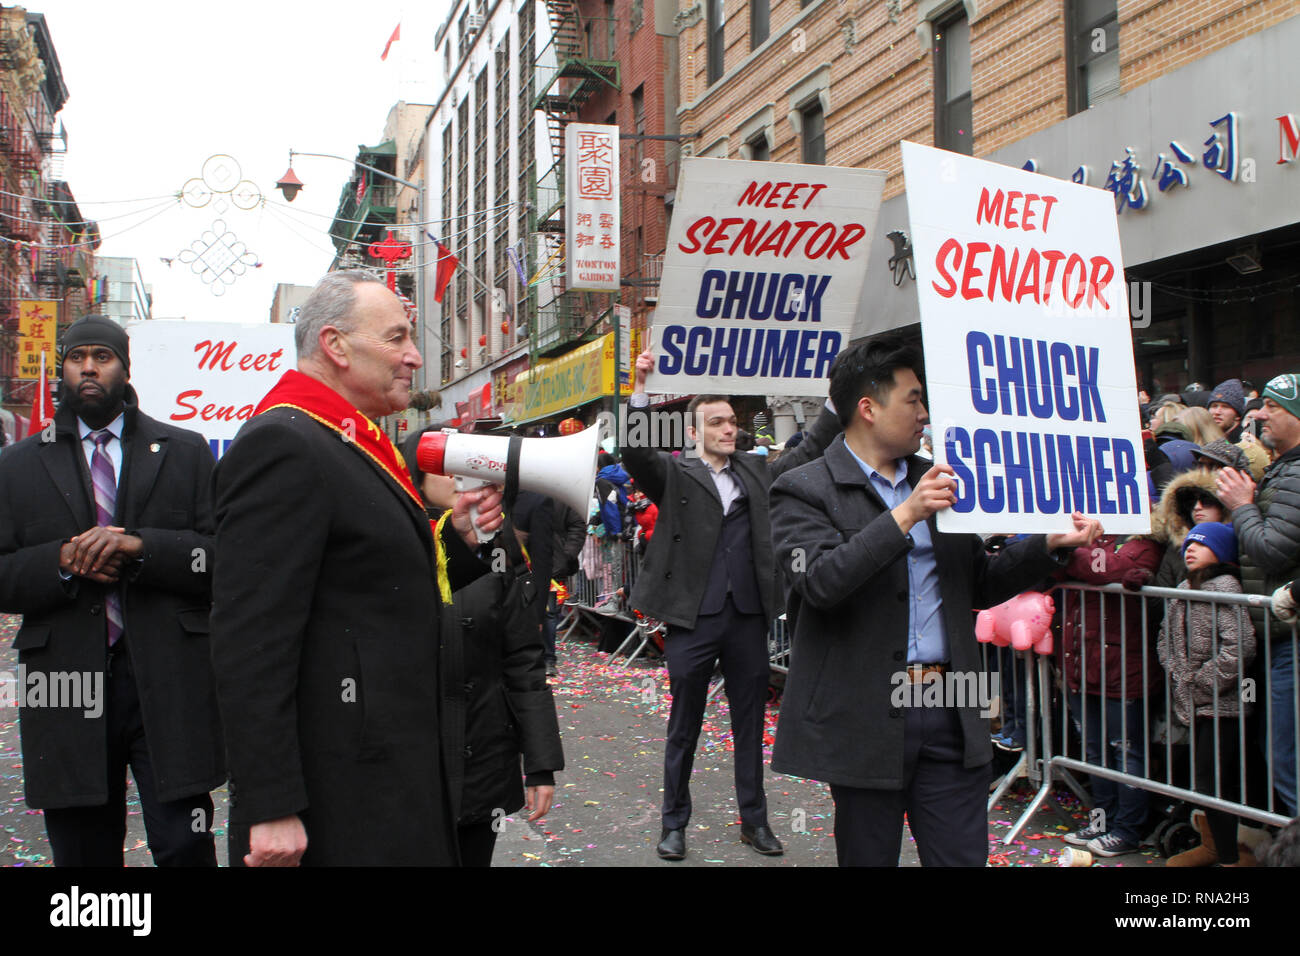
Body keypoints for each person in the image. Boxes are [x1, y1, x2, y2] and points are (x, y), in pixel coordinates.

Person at [768, 336, 1099, 866]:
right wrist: (904, 517)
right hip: (865, 713)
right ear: (868, 408)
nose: (924, 414)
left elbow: (982, 583)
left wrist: (1048, 545)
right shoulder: (803, 486)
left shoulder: (938, 479)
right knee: (870, 854)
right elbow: (821, 582)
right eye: (913, 400)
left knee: (960, 856)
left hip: (948, 701)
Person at [210, 271, 504, 866]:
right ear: (335, 345)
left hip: (384, 771)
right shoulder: (287, 443)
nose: (414, 356)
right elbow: (251, 638)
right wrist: (271, 804)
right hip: (341, 792)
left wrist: (463, 540)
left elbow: (373, 580)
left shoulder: (345, 441)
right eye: (396, 338)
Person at [0, 315, 224, 866]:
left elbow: (222, 558)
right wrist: (61, 561)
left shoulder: (186, 450)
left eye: (102, 357)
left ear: (125, 367)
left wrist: (141, 550)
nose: (89, 369)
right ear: (63, 369)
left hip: (167, 676)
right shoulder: (17, 465)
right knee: (81, 850)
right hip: (63, 680)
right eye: (78, 358)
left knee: (183, 843)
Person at [623, 348, 841, 861]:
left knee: (748, 726)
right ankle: (673, 825)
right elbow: (635, 454)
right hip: (692, 619)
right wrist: (639, 388)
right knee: (685, 726)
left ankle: (754, 823)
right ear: (695, 432)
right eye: (716, 422)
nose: (728, 428)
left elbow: (808, 448)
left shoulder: (758, 470)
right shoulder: (676, 474)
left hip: (747, 616)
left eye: (730, 420)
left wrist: (835, 397)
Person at [400, 436, 564, 867]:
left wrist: (541, 764)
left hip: (483, 758)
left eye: (462, 465)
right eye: (442, 466)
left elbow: (523, 659)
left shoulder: (496, 540)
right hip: (409, 769)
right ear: (415, 477)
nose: (457, 478)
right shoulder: (394, 543)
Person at [1217, 373, 1300, 818]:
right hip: (1275, 637)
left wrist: (1242, 506)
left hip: (1291, 640)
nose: (1260, 413)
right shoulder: (1283, 469)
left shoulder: (1296, 474)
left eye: (1274, 406)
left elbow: (1270, 551)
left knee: (1287, 759)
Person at [1057, 531, 1164, 857]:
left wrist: (1065, 555)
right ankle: (1101, 822)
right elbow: (1053, 570)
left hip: (1122, 668)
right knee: (1093, 752)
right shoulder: (1090, 537)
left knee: (1127, 753)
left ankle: (1128, 831)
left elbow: (1111, 567)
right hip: (1081, 665)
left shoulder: (1146, 541)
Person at [1156, 522, 1257, 866]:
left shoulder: (1227, 588)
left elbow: (1240, 645)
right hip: (1192, 701)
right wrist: (1178, 673)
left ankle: (1230, 856)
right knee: (1204, 779)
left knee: (1214, 779)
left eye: (1201, 543)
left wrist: (1203, 680)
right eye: (1187, 544)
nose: (1190, 549)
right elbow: (1164, 638)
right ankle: (1215, 845)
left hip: (1223, 704)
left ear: (1222, 552)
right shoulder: (1183, 586)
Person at [1207, 378, 1269, 480]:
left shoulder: (1246, 443)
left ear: (1238, 415)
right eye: (1214, 406)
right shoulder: (1207, 440)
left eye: (1225, 407)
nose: (1217, 412)